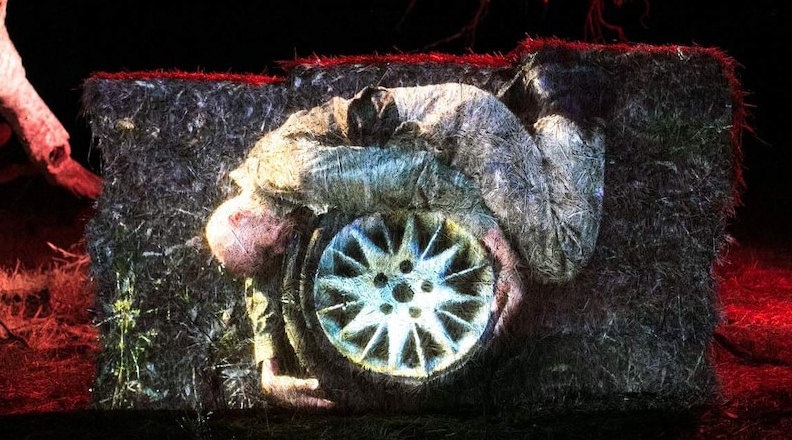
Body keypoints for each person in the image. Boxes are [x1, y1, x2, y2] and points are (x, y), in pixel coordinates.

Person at [207, 75, 606, 408]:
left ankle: (561, 98)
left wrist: (501, 253)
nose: (278, 254)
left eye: (267, 249)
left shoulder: (302, 173)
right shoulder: (256, 193)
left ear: (241, 215)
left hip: (461, 134)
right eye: (267, 257)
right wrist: (268, 364)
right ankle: (520, 118)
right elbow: (259, 273)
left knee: (557, 254)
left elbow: (421, 178)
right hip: (425, 152)